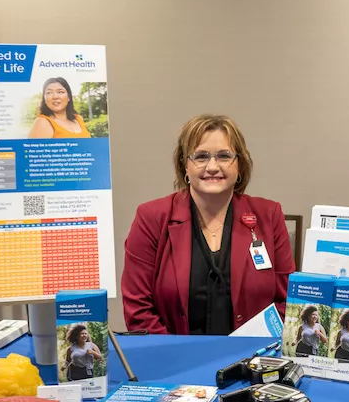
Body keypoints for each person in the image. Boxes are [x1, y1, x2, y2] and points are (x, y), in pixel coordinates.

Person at [122, 114, 295, 334]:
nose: (212, 167)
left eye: (224, 156)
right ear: (184, 166)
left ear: (239, 165)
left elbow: (287, 302)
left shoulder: (268, 215)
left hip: (252, 359)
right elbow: (138, 310)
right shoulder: (151, 217)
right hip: (176, 361)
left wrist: (250, 354)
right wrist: (178, 357)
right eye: (201, 156)